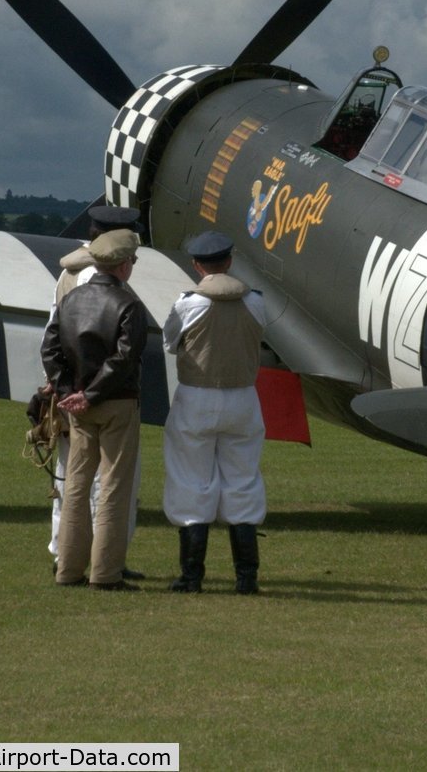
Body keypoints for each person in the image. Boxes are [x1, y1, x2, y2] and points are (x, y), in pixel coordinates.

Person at [161, 231, 270, 594]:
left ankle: (192, 576)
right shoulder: (255, 301)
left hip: (197, 396)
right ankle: (247, 578)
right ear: (229, 261)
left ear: (196, 265)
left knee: (191, 481)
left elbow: (170, 342)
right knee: (243, 481)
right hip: (243, 397)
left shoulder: (188, 303)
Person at [42, 228, 148, 590]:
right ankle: (105, 574)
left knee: (75, 486)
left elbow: (50, 350)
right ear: (121, 265)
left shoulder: (70, 300)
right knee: (114, 488)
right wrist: (93, 394)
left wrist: (69, 391)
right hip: (116, 403)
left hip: (78, 406)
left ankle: (68, 570)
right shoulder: (129, 304)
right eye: (132, 260)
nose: (132, 265)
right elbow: (124, 359)